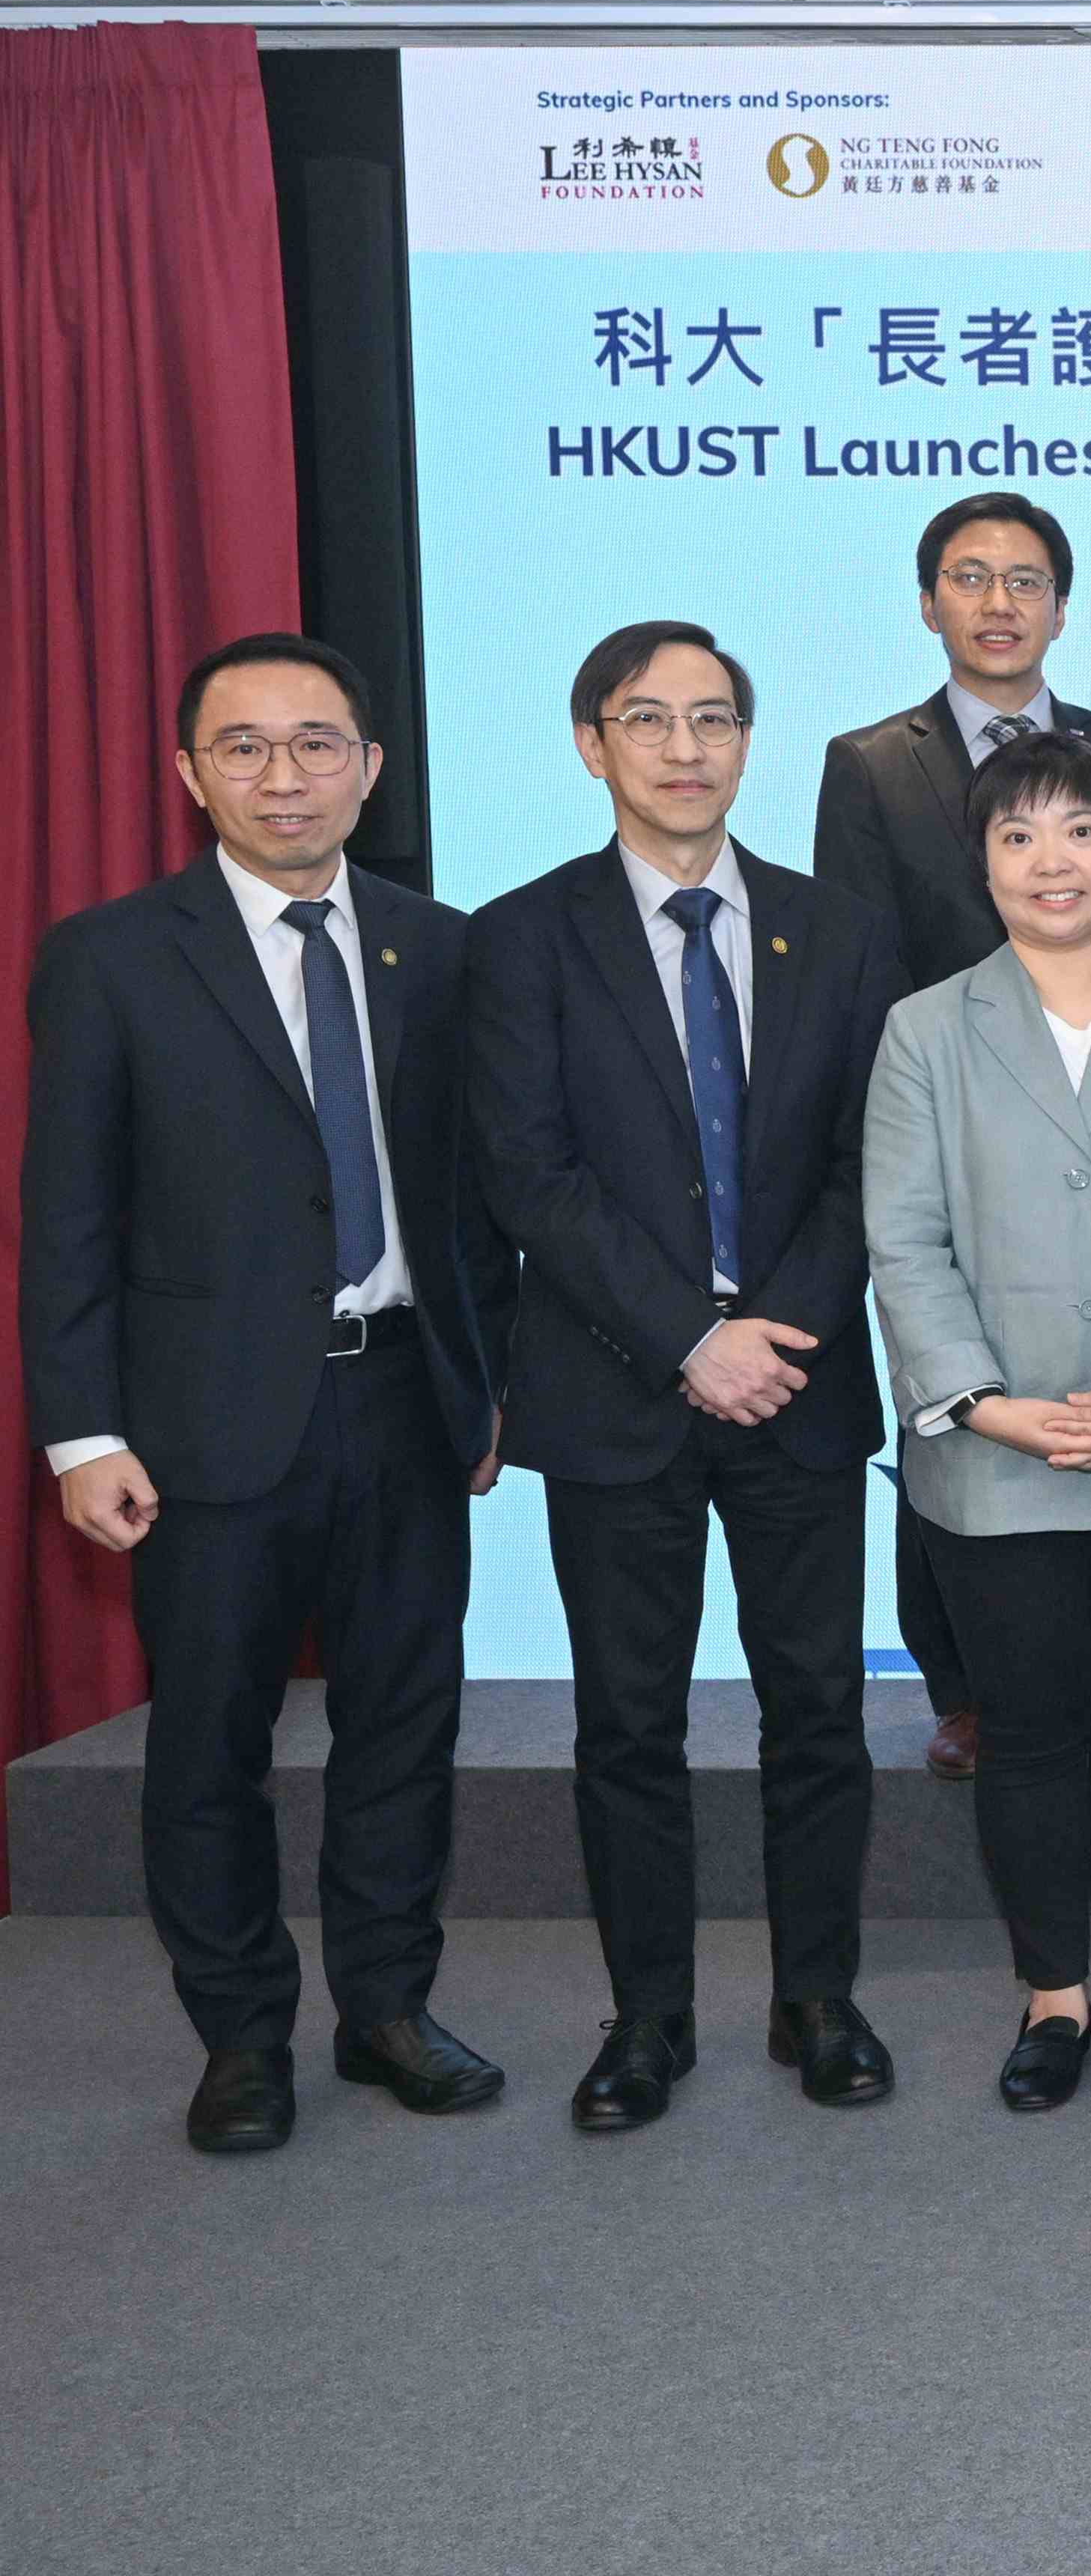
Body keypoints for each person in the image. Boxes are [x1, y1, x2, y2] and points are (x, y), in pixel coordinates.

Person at [22, 635, 514, 2154]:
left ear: (370, 766)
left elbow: (472, 1197)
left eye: (317, 743)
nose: (283, 774)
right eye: (245, 747)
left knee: (401, 1732)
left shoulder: (440, 949)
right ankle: (241, 2031)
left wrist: (484, 1386)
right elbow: (68, 1212)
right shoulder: (110, 955)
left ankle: (384, 2007)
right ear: (189, 775)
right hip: (200, 1423)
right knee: (211, 1746)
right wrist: (81, 1428)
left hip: (402, 1407)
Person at [466, 621, 909, 2130]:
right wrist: (685, 1337)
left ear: (747, 740)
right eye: (647, 720)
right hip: (615, 1392)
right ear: (593, 744)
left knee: (819, 1712)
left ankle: (817, 1998)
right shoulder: (520, 937)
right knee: (629, 1726)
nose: (684, 747)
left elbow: (871, 1157)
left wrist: (772, 1328)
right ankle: (648, 2018)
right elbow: (529, 1173)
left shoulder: (834, 928)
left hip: (797, 1383)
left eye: (713, 718)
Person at [862, 731, 1091, 2111]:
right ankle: (1051, 1993)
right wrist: (989, 1405)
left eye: (1080, 831)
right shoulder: (927, 1026)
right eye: (1017, 837)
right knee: (1026, 1728)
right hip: (990, 1452)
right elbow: (904, 1238)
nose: (1051, 861)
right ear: (984, 863)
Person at [815, 489, 1091, 1787]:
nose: (998, 602)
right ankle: (959, 1684)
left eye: (1025, 580)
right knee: (955, 1390)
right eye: (970, 577)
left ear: (1061, 606)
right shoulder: (870, 759)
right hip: (942, 1104)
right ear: (926, 602)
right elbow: (860, 959)